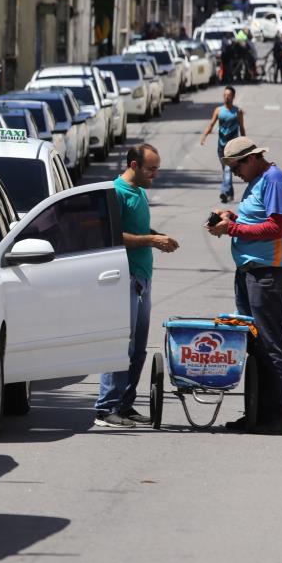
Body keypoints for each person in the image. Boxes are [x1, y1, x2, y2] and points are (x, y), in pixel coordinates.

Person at [206, 137, 282, 435]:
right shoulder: (256, 182)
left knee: (270, 344)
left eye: (236, 167)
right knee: (253, 345)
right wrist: (231, 216)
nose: (235, 174)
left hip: (267, 274)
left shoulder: (274, 180)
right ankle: (256, 413)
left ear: (252, 158)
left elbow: (275, 227)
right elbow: (253, 218)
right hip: (248, 272)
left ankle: (277, 416)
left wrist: (231, 228)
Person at [94, 143, 179, 428]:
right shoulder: (117, 192)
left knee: (139, 347)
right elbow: (113, 235)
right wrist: (152, 241)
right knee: (122, 345)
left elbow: (139, 230)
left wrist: (158, 236)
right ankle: (106, 408)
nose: (155, 174)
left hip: (144, 278)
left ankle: (125, 405)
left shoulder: (140, 192)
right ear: (134, 166)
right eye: (151, 169)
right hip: (124, 277)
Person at [200, 86, 246, 203]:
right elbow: (211, 124)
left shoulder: (238, 112)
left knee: (227, 169)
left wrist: (245, 143)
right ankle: (230, 193)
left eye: (229, 95)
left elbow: (241, 128)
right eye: (225, 95)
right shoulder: (219, 110)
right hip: (221, 146)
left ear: (233, 97)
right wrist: (204, 136)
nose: (226, 97)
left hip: (232, 147)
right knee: (226, 170)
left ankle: (224, 192)